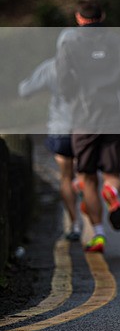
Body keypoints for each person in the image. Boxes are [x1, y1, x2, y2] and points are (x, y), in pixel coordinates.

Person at [56, 0, 120, 253]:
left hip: (84, 119)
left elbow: (63, 80)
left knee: (87, 177)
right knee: (113, 174)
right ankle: (111, 191)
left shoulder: (69, 44)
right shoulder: (119, 42)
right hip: (115, 116)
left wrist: (73, 97)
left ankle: (99, 234)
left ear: (78, 18)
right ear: (102, 16)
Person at [18, 57, 80, 241]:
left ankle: (74, 223)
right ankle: (93, 219)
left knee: (66, 176)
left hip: (61, 128)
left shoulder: (51, 66)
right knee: (86, 175)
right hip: (87, 127)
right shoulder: (89, 62)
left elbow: (25, 90)